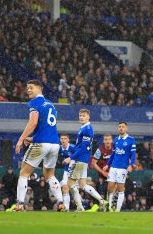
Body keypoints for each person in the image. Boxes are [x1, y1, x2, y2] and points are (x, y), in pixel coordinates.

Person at [14, 80, 64, 211]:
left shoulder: (34, 103)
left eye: (30, 88)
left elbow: (33, 123)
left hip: (41, 144)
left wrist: (21, 139)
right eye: (27, 88)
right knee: (49, 175)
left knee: (24, 173)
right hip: (54, 144)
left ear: (39, 89)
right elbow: (46, 128)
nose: (28, 90)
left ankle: (19, 205)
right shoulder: (51, 105)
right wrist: (32, 138)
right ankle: (60, 203)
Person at [63, 109, 105, 212]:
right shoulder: (85, 128)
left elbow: (83, 148)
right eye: (80, 115)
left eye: (83, 115)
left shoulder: (87, 129)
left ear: (88, 117)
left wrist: (70, 158)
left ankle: (80, 207)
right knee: (83, 184)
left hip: (79, 160)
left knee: (70, 183)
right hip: (83, 160)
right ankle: (101, 200)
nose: (81, 117)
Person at [103, 121, 137, 212]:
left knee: (120, 188)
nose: (121, 128)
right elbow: (113, 154)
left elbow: (133, 154)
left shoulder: (131, 140)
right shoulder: (116, 140)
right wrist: (107, 165)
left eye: (123, 127)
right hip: (113, 167)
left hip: (122, 167)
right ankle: (110, 207)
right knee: (110, 187)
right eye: (119, 127)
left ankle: (117, 209)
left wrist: (130, 165)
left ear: (126, 128)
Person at [91, 133, 114, 209]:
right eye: (106, 139)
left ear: (112, 140)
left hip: (113, 173)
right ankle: (97, 205)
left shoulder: (115, 149)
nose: (107, 141)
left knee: (113, 189)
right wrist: (103, 172)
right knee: (99, 189)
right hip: (102, 174)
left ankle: (111, 206)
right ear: (103, 141)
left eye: (109, 139)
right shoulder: (99, 150)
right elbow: (93, 163)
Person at [57, 134, 76, 211]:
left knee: (76, 189)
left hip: (76, 171)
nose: (63, 140)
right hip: (66, 171)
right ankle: (66, 208)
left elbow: (81, 156)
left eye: (65, 138)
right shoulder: (59, 148)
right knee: (65, 188)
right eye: (62, 138)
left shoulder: (73, 148)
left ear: (68, 140)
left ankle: (81, 205)